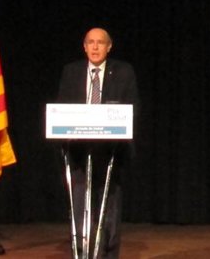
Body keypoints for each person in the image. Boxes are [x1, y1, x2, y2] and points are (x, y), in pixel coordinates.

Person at [57, 28, 140, 259]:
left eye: (100, 43)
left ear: (109, 47)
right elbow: (62, 108)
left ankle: (108, 254)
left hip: (112, 151)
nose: (95, 47)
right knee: (79, 208)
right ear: (84, 47)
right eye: (90, 42)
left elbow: (133, 108)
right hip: (78, 152)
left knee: (109, 210)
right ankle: (81, 253)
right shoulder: (71, 72)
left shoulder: (123, 72)